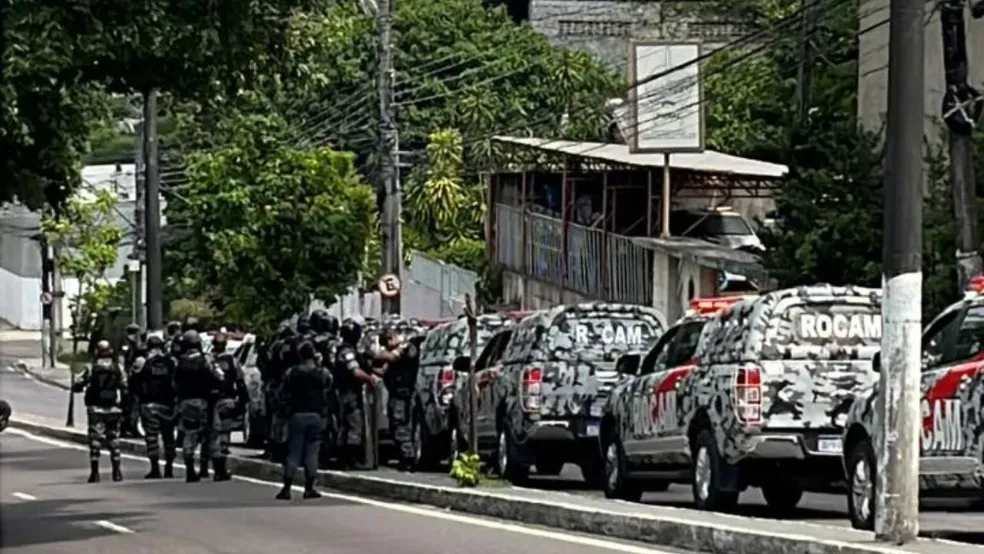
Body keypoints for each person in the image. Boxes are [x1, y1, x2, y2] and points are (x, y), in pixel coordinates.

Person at [276, 340, 333, 500]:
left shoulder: (291, 373)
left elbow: (282, 394)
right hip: (316, 415)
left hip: (297, 415)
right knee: (312, 452)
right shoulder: (323, 373)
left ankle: (286, 488)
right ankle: (309, 488)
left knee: (293, 452)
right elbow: (329, 388)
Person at [73, 340, 127, 483]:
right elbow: (124, 386)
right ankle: (117, 472)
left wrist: (77, 386)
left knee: (95, 441)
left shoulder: (91, 368)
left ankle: (95, 473)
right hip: (114, 408)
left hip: (96, 409)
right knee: (114, 439)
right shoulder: (118, 368)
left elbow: (78, 384)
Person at [173, 330, 221, 482]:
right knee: (209, 435)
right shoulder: (205, 360)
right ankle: (208, 468)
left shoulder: (180, 362)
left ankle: (190, 468)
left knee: (190, 434)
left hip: (186, 403)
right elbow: (218, 376)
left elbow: (174, 383)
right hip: (204, 402)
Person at [334, 316, 381, 469]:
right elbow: (355, 371)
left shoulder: (348, 350)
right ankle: (351, 459)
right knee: (354, 425)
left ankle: (345, 458)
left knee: (345, 426)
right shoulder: (347, 352)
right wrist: (369, 379)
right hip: (349, 393)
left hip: (344, 393)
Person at [130, 335, 178, 479]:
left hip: (149, 405)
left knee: (152, 439)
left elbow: (133, 381)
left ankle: (155, 468)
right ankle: (169, 467)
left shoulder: (142, 362)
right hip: (168, 405)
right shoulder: (171, 362)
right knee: (169, 437)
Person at [373, 329, 419, 471]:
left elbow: (391, 358)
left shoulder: (406, 347)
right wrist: (370, 367)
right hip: (395, 394)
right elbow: (383, 370)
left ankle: (408, 458)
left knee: (401, 426)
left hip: (403, 394)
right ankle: (404, 456)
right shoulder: (396, 351)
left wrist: (375, 355)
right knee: (395, 427)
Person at [208, 332, 248, 482]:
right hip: (226, 401)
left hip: (210, 402)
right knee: (224, 436)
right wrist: (242, 402)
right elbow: (240, 381)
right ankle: (220, 469)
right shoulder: (232, 360)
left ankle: (214, 468)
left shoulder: (207, 360)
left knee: (212, 436)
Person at [265, 325, 295, 463]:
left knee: (277, 419)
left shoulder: (274, 347)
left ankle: (275, 449)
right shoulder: (288, 346)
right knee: (282, 419)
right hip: (282, 385)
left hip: (276, 385)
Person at [118, 323, 145, 438]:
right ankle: (126, 428)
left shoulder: (134, 344)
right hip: (128, 378)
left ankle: (130, 427)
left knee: (132, 404)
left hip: (132, 377)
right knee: (128, 404)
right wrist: (124, 377)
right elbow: (121, 361)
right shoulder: (126, 344)